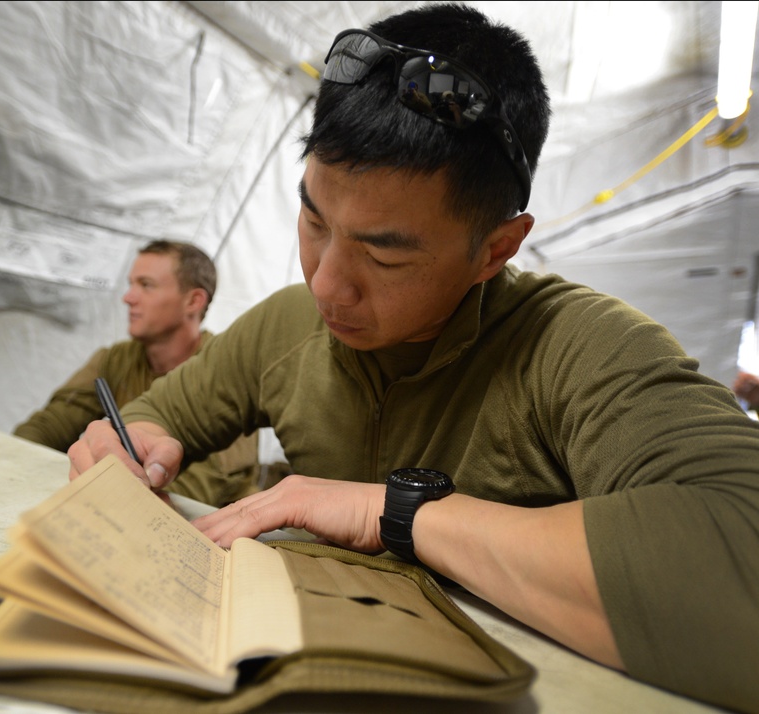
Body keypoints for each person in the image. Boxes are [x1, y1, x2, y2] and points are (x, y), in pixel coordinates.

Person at [67, 5, 759, 713]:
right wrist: (133, 444)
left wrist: (395, 514)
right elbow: (160, 414)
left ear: (496, 248)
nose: (326, 284)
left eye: (383, 251)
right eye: (312, 220)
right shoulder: (286, 324)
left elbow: (741, 556)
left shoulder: (581, 347)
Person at [15, 239, 260, 507]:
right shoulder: (116, 359)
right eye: (131, 284)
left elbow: (214, 480)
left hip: (216, 526)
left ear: (193, 301)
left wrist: (125, 494)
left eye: (146, 285)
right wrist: (11, 458)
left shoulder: (227, 365)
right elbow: (52, 423)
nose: (128, 297)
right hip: (129, 503)